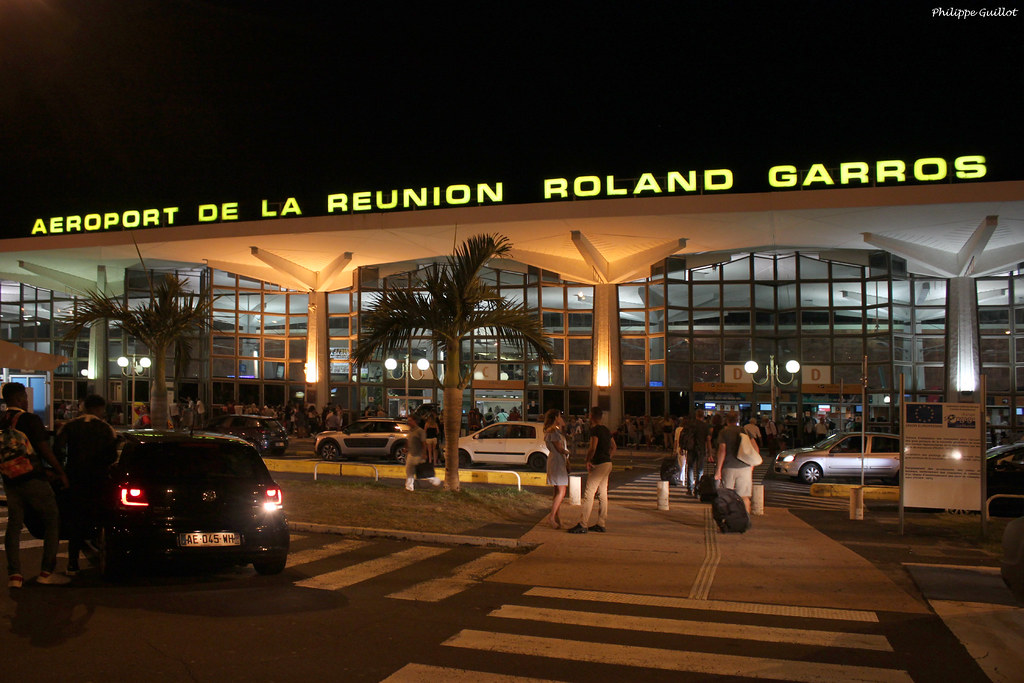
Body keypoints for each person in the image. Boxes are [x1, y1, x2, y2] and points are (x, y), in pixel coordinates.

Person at [1, 382, 71, 587]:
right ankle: (46, 571)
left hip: (10, 479)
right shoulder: (30, 419)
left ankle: (14, 575)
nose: (26, 400)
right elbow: (44, 449)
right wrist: (60, 472)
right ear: (19, 398)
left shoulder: (1, 420)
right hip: (33, 478)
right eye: (24, 396)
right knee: (52, 519)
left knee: (14, 525)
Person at [54, 394, 118, 576]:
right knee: (99, 519)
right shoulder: (106, 428)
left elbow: (58, 449)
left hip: (74, 480)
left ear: (84, 407)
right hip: (98, 481)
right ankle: (101, 558)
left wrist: (62, 472)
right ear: (99, 409)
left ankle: (72, 564)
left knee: (75, 521)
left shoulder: (69, 426)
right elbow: (112, 456)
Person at [568, 406, 616, 534]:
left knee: (589, 494)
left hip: (599, 464)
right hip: (607, 463)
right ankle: (601, 523)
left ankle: (583, 524)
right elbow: (614, 446)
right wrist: (608, 457)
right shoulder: (606, 429)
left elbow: (593, 448)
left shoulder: (595, 430)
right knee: (603, 494)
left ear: (591, 416)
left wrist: (588, 460)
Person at [714, 410, 757, 514]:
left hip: (728, 467)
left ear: (726, 420)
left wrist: (718, 469)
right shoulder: (745, 431)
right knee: (744, 497)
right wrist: (751, 465)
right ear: (737, 420)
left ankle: (729, 519)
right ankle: (745, 519)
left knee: (727, 496)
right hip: (745, 467)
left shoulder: (724, 432)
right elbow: (755, 448)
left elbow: (722, 450)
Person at [543, 409, 570, 529]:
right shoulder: (553, 431)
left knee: (557, 490)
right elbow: (559, 448)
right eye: (560, 416)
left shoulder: (554, 431)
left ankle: (557, 517)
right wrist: (567, 452)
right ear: (555, 418)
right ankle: (552, 517)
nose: (561, 418)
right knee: (562, 490)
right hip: (557, 461)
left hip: (556, 461)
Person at [403, 415, 440, 490]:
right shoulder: (410, 431)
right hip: (411, 454)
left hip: (418, 455)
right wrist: (406, 449)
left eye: (410, 420)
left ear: (415, 421)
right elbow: (408, 441)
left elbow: (424, 443)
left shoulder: (420, 431)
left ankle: (434, 480)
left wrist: (424, 454)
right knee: (409, 471)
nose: (408, 422)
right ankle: (409, 487)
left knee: (422, 471)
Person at [686, 410, 711, 496]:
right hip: (701, 449)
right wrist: (710, 453)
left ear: (696, 415)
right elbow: (708, 440)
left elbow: (685, 436)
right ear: (703, 416)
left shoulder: (690, 424)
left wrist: (682, 447)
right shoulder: (705, 426)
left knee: (690, 468)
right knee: (700, 470)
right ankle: (697, 489)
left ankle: (689, 488)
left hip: (691, 449)